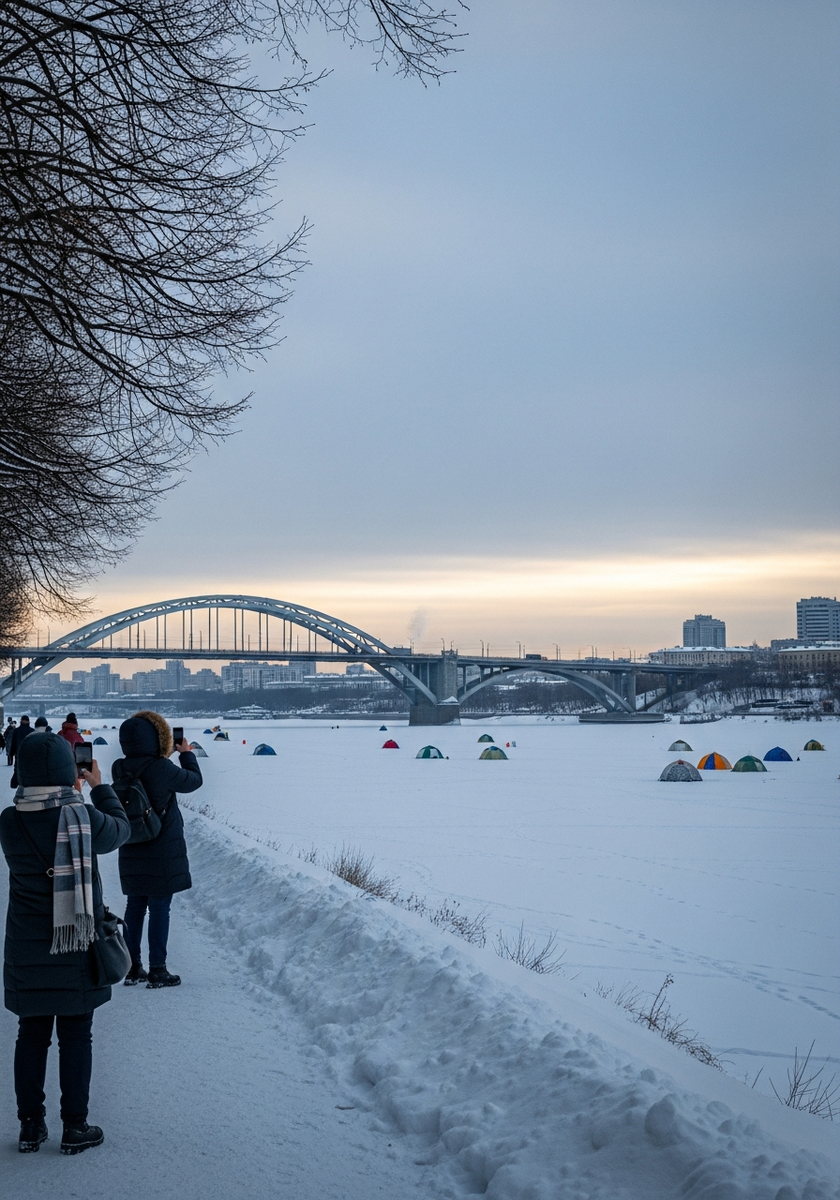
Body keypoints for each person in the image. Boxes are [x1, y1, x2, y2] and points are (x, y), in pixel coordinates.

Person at [0, 733, 130, 1153]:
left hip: (26, 948)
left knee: (30, 1035)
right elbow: (122, 829)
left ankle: (30, 1127)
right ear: (67, 770)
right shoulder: (83, 818)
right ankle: (75, 1128)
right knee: (76, 1036)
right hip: (77, 945)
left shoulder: (9, 821)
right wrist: (98, 787)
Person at [113, 712, 202, 987]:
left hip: (131, 845)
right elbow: (193, 781)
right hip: (161, 848)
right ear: (158, 738)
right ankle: (158, 969)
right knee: (160, 907)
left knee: (135, 906)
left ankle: (131, 967)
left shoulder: (119, 767)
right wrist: (186, 754)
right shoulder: (163, 768)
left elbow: (146, 770)